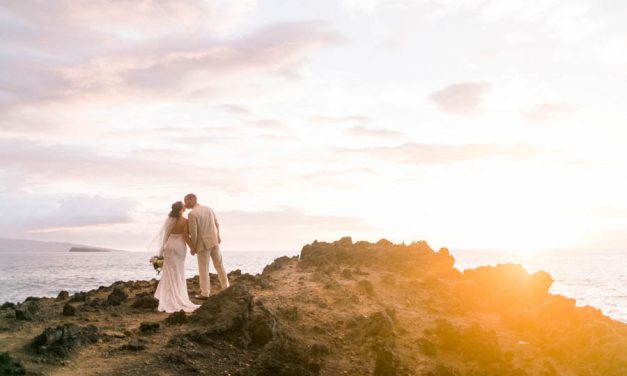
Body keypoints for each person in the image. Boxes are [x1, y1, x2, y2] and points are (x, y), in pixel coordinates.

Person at [153, 201, 200, 313]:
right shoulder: (185, 221)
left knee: (169, 271)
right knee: (178, 271)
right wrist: (193, 248)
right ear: (181, 209)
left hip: (169, 246)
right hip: (179, 246)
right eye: (183, 206)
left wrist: (162, 250)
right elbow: (185, 236)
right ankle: (177, 296)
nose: (185, 207)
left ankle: (167, 296)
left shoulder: (169, 220)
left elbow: (165, 235)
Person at [185, 193, 229, 299]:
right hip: (214, 241)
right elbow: (217, 223)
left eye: (186, 201)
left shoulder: (192, 214)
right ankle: (226, 288)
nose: (185, 204)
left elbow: (194, 233)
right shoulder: (209, 209)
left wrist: (193, 247)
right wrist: (218, 236)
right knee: (219, 265)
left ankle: (205, 293)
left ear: (192, 199)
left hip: (202, 244)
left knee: (203, 268)